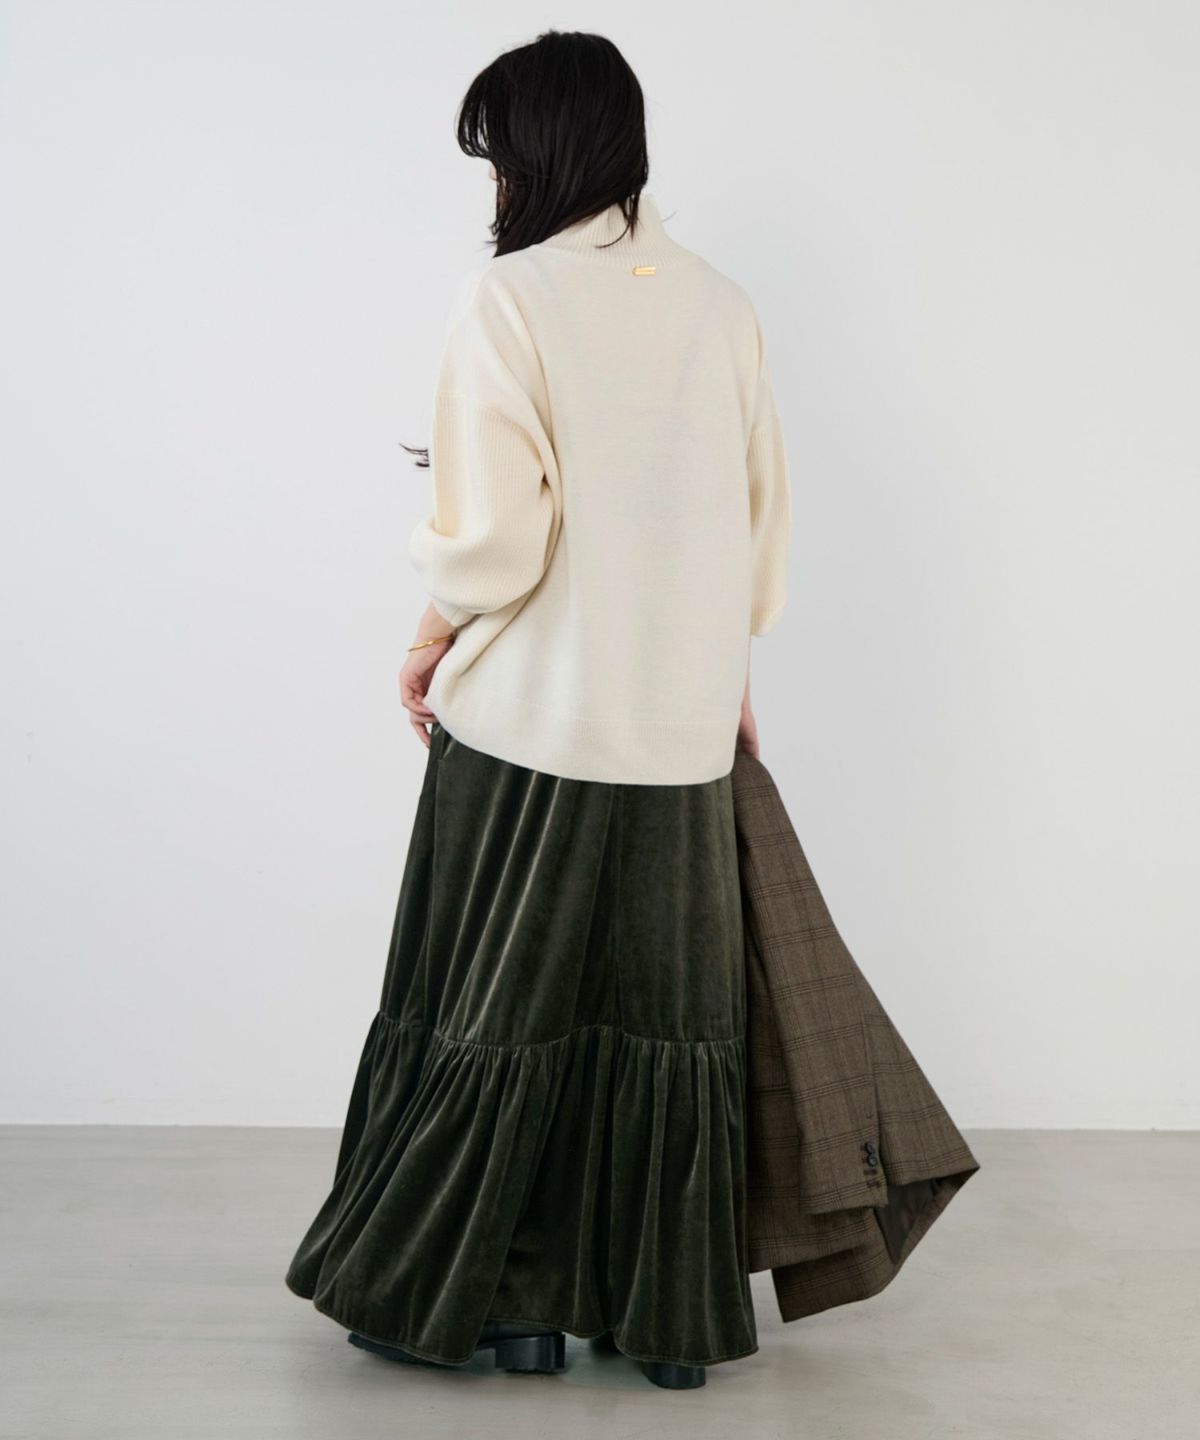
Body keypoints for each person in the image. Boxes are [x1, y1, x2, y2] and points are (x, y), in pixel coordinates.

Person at [285, 28, 791, 1392]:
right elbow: (748, 529)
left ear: (538, 154)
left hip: (530, 727)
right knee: (664, 1027)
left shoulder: (510, 300)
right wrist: (727, 688)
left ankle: (507, 1312)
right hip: (679, 731)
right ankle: (663, 1322)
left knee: (499, 1013)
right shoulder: (723, 305)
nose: (496, 183)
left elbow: (500, 539)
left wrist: (426, 635)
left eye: (498, 155)